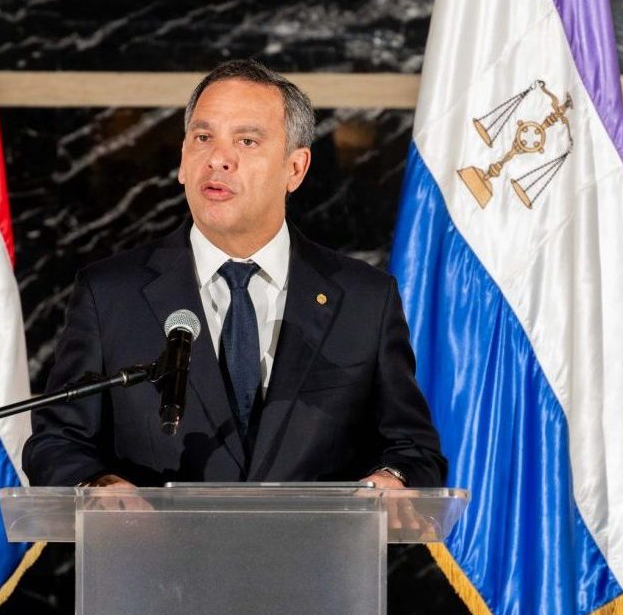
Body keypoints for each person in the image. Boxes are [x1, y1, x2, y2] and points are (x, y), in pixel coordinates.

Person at [22, 59, 446, 490]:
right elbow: (56, 443)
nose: (218, 159)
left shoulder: (364, 300)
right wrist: (100, 487)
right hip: (157, 535)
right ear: (183, 160)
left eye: (246, 140)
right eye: (203, 137)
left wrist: (394, 478)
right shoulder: (110, 294)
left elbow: (414, 450)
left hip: (311, 537)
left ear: (295, 168)